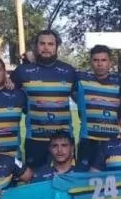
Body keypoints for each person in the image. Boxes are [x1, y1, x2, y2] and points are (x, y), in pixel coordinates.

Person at [11, 29, 78, 168]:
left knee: (66, 181)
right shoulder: (22, 72)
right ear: (36, 47)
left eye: (50, 44)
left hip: (64, 140)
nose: (46, 47)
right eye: (42, 44)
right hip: (35, 139)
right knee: (35, 182)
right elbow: (10, 96)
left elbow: (81, 100)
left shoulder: (69, 71)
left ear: (56, 47)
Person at [74, 44, 121, 170]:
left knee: (112, 178)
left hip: (112, 140)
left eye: (103, 60)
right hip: (88, 141)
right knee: (84, 179)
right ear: (91, 62)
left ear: (110, 63)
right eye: (96, 60)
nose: (99, 64)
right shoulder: (80, 79)